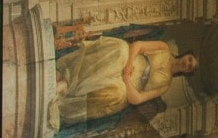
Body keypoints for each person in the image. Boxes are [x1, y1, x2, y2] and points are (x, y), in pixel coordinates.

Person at [55, 37, 198, 125]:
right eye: (190, 60)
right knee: (122, 49)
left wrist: (127, 80)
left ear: (187, 72)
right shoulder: (164, 48)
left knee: (118, 93)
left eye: (190, 67)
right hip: (130, 60)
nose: (187, 64)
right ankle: (68, 79)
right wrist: (129, 64)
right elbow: (137, 45)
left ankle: (68, 93)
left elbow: (137, 99)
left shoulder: (165, 86)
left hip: (129, 85)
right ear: (186, 55)